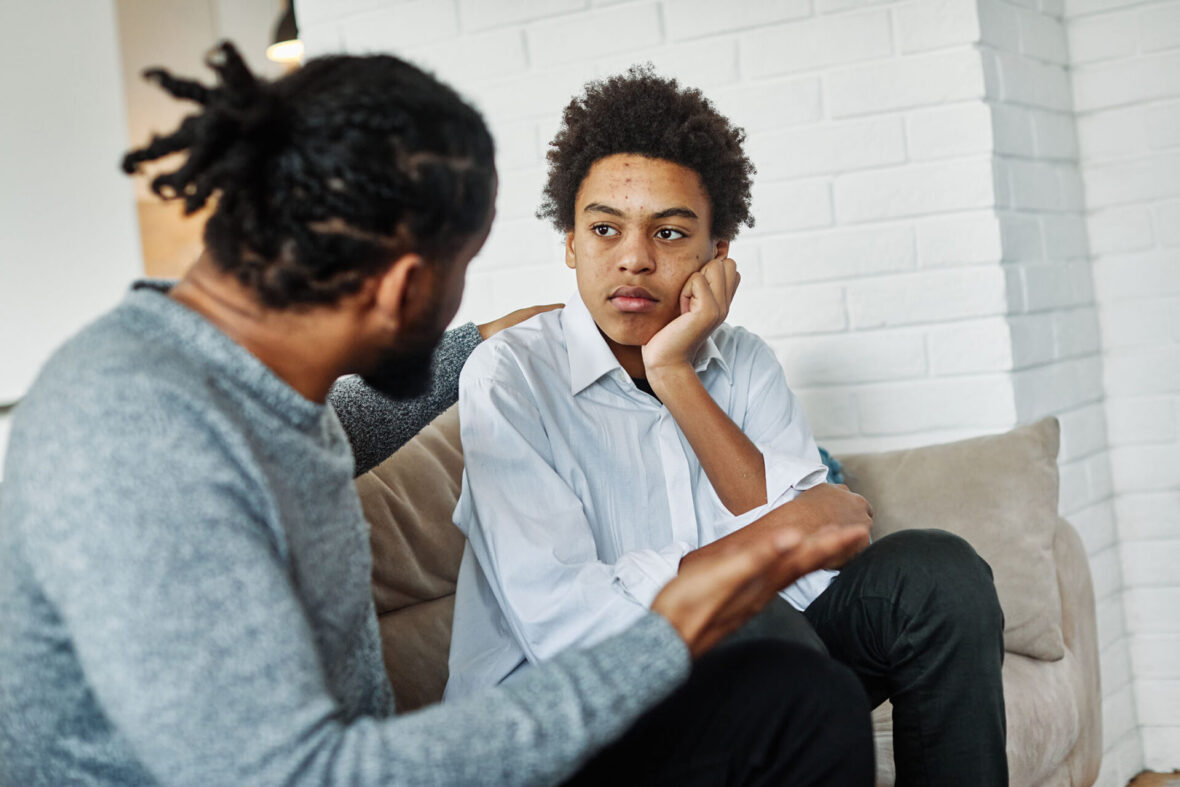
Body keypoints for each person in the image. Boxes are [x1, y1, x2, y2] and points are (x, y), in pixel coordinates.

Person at [0, 43, 875, 786]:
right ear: (403, 284)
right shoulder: (134, 434)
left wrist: (467, 343)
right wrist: (679, 619)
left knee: (793, 704)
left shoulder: (263, 397)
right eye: (464, 266)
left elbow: (350, 419)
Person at [446, 66, 1009, 786]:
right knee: (756, 629)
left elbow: (824, 559)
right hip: (569, 719)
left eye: (671, 232)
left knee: (939, 576)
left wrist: (675, 371)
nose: (634, 257)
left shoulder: (739, 362)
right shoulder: (510, 377)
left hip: (734, 672)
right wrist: (770, 548)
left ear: (717, 254)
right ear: (570, 242)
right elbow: (569, 622)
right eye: (604, 228)